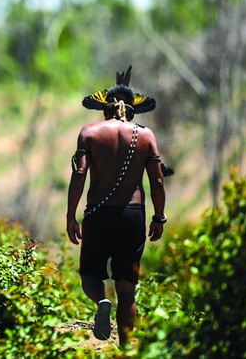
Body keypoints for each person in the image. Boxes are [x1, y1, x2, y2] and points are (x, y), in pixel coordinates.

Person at [65, 65, 170, 348]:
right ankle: (126, 349)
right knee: (127, 289)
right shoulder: (146, 136)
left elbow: (79, 174)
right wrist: (159, 217)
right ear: (133, 110)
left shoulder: (89, 133)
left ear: (104, 109)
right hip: (132, 215)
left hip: (98, 213)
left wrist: (70, 215)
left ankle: (101, 301)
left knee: (90, 273)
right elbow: (157, 182)